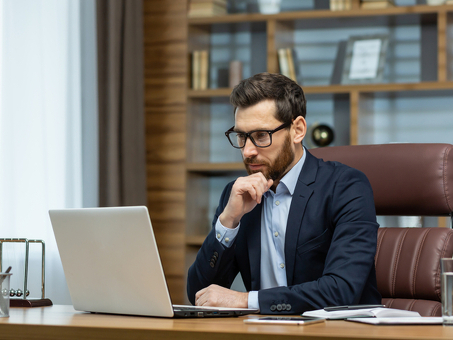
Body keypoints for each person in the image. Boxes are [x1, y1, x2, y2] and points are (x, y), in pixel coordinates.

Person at [187, 73, 381, 314]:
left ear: (297, 130)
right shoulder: (237, 194)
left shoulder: (345, 186)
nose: (248, 151)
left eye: (260, 136)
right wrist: (228, 222)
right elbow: (200, 294)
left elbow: (341, 290)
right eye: (241, 136)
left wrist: (246, 301)